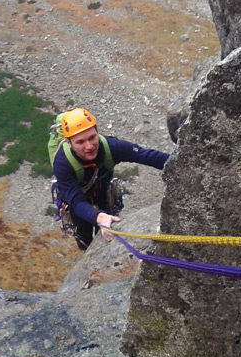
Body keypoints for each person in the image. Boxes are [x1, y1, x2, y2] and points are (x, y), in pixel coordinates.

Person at [52, 107, 169, 250]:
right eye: (80, 142)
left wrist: (180, 161)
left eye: (92, 137)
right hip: (77, 205)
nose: (89, 146)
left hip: (103, 195)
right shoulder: (62, 163)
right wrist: (99, 217)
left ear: (97, 132)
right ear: (69, 143)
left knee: (107, 234)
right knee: (85, 240)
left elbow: (145, 156)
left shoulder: (111, 147)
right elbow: (76, 201)